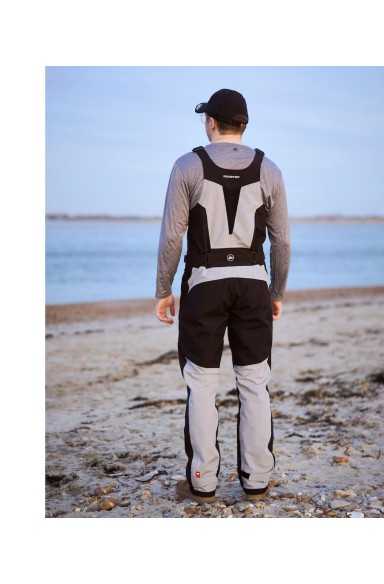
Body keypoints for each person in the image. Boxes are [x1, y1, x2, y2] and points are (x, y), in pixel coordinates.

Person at [155, 88, 290, 503]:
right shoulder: (270, 169)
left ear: (211, 122)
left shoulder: (187, 166)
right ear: (243, 125)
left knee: (201, 383)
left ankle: (203, 480)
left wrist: (163, 290)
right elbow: (282, 241)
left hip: (204, 284)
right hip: (252, 285)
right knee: (254, 381)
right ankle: (256, 478)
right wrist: (276, 291)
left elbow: (172, 237)